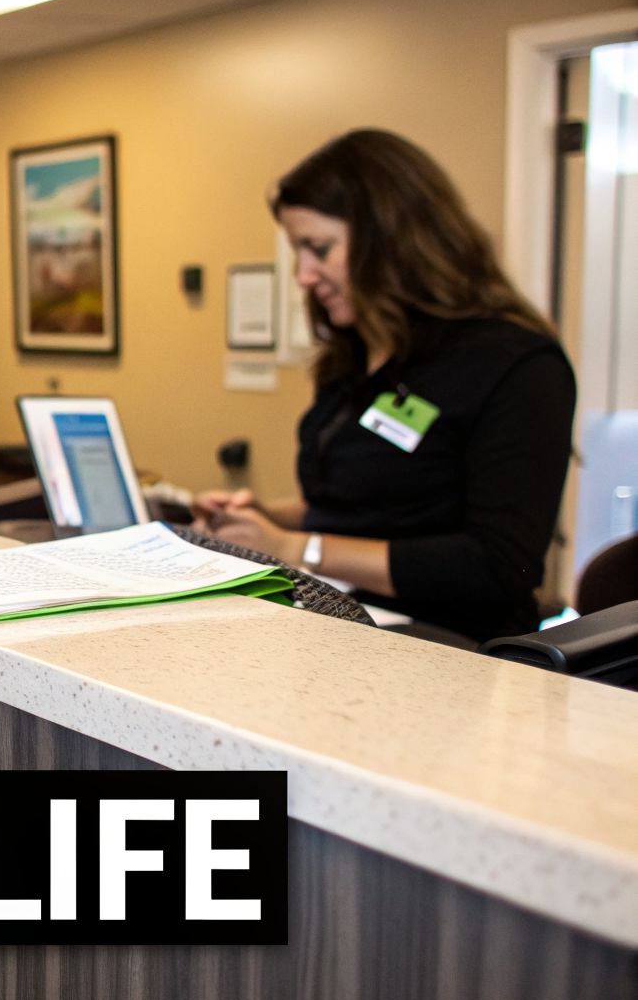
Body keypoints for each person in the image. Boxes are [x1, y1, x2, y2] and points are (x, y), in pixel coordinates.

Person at [193, 128, 575, 644]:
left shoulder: (517, 365)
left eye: (318, 249)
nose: (304, 275)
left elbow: (498, 565)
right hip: (341, 623)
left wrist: (298, 547)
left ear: (392, 240)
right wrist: (258, 518)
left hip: (456, 650)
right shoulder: (354, 356)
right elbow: (362, 502)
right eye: (297, 252)